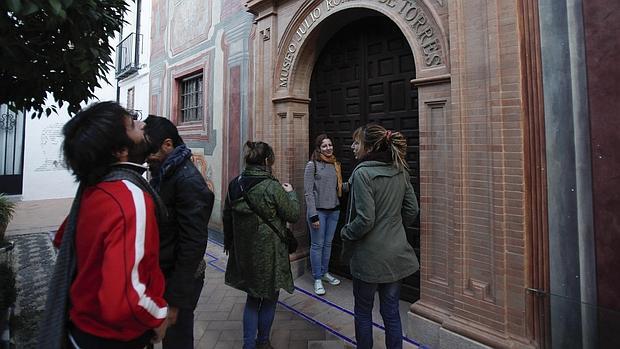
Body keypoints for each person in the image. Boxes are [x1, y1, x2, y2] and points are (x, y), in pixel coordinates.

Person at [40, 102, 170, 349]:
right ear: (120, 150)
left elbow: (62, 241)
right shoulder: (129, 197)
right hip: (114, 338)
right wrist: (159, 314)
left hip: (80, 330)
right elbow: (124, 300)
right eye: (133, 125)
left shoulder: (94, 190)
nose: (142, 125)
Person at [341, 124, 420, 349]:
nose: (353, 146)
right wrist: (393, 229)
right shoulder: (400, 170)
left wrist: (346, 232)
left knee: (363, 312)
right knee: (391, 312)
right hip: (396, 253)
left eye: (357, 142)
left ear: (370, 147)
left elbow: (365, 219)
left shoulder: (362, 173)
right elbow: (412, 210)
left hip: (369, 256)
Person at [144, 115, 215, 349]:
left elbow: (192, 245)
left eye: (150, 151)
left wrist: (174, 301)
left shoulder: (186, 180)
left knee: (178, 341)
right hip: (166, 273)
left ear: (167, 145)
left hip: (180, 280)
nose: (147, 159)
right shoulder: (167, 172)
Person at [223, 141, 300, 349]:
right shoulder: (272, 187)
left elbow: (226, 216)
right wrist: (291, 193)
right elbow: (293, 214)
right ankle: (263, 341)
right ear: (266, 161)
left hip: (245, 251)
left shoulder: (235, 184)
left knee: (252, 297)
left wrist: (230, 245)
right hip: (270, 252)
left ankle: (248, 345)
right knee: (269, 297)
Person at [304, 134, 343, 295]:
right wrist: (313, 215)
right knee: (317, 245)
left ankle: (325, 273)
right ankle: (317, 278)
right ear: (318, 148)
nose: (328, 148)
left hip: (334, 210)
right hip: (318, 212)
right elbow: (308, 192)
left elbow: (337, 187)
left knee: (328, 245)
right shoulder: (312, 165)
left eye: (330, 145)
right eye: (325, 146)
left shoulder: (335, 164)